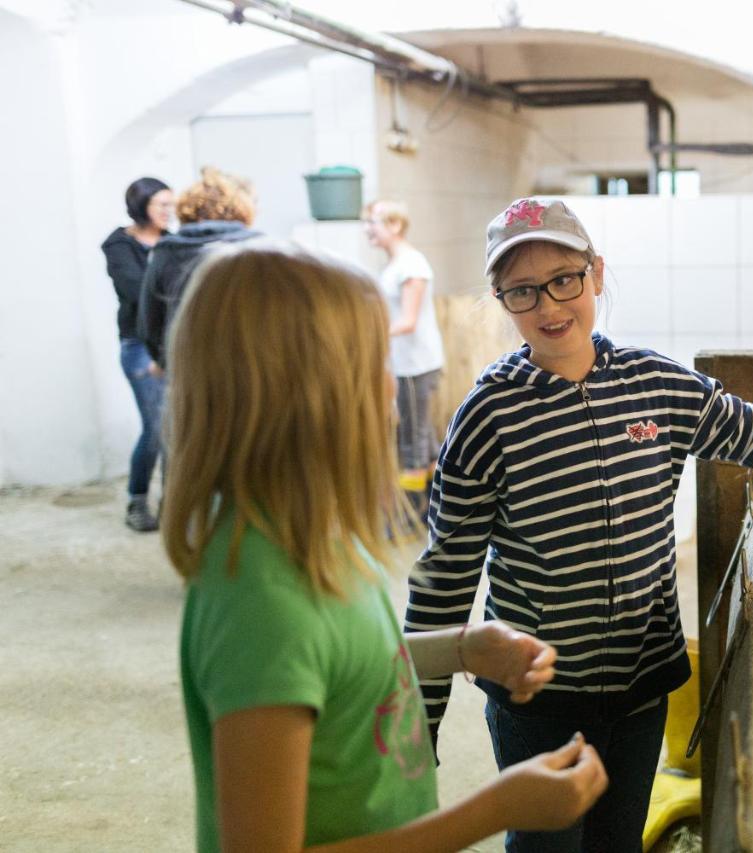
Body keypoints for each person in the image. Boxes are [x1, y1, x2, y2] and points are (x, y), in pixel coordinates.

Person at [406, 198, 753, 852]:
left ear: (596, 274)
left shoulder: (654, 384)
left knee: (618, 840)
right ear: (502, 298)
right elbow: (446, 572)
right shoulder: (488, 414)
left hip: (640, 686)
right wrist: (419, 723)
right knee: (547, 843)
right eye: (523, 291)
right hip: (538, 696)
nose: (549, 306)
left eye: (564, 279)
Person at [164, 240, 607, 853]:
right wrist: (493, 811)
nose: (392, 389)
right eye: (375, 363)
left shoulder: (312, 536)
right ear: (310, 398)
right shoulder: (260, 603)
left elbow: (343, 662)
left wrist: (459, 647)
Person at [101, 177, 174, 531]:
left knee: (177, 429)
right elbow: (134, 290)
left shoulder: (173, 243)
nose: (168, 212)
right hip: (139, 346)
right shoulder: (119, 245)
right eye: (161, 205)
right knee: (157, 427)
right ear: (140, 206)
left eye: (170, 205)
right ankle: (138, 500)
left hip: (174, 345)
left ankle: (174, 505)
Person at [137, 166, 258, 369]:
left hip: (191, 372)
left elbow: (150, 324)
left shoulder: (167, 253)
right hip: (255, 370)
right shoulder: (261, 250)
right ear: (242, 208)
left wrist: (167, 364)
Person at [363, 200, 446, 493]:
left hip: (416, 364)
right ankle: (443, 500)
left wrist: (365, 334)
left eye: (372, 222)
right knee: (425, 441)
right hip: (404, 363)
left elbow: (408, 321)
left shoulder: (412, 265)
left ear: (395, 225)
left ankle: (412, 513)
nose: (367, 229)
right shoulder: (396, 265)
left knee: (414, 441)